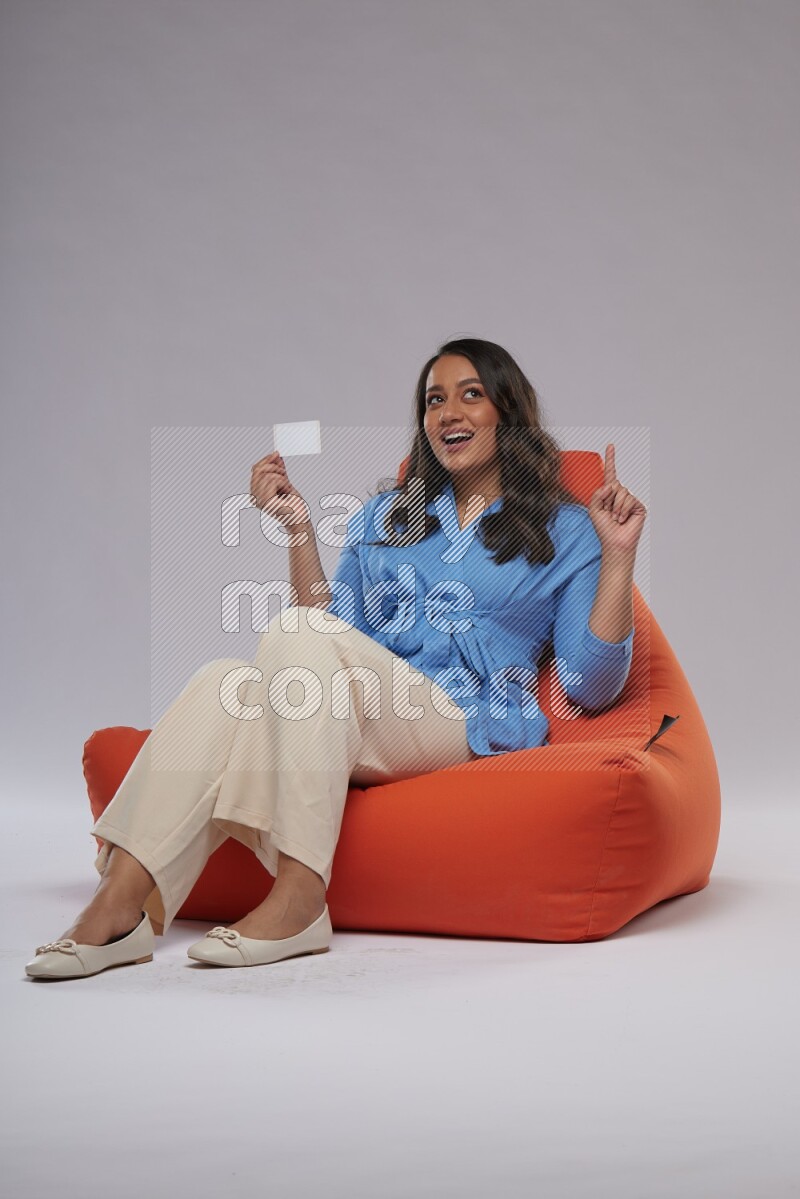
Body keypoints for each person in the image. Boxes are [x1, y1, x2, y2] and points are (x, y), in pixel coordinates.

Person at [25, 337, 646, 980]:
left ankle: (299, 898)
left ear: (507, 411)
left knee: (294, 638)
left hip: (463, 720)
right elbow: (328, 637)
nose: (448, 413)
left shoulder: (566, 528)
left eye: (471, 395)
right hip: (369, 710)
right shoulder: (388, 516)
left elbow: (592, 685)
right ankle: (118, 905)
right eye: (434, 400)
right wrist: (298, 529)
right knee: (220, 682)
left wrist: (619, 555)